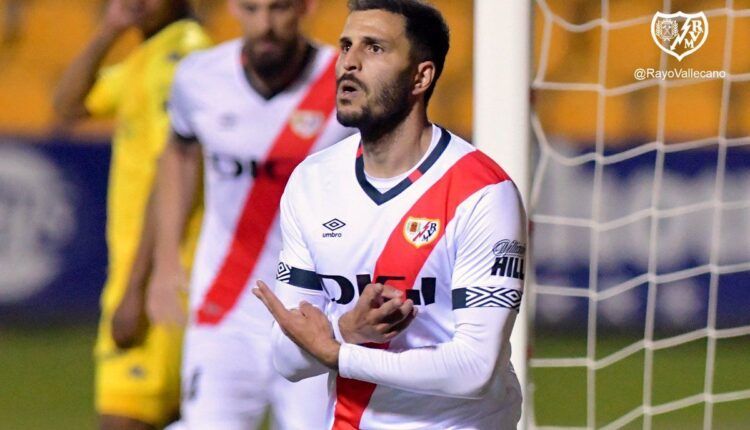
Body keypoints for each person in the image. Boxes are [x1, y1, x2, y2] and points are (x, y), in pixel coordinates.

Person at [253, 0, 527, 428]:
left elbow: (476, 367)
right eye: (346, 46)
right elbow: (287, 359)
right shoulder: (313, 182)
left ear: (421, 76)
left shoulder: (482, 192)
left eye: (374, 48)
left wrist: (339, 353)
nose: (349, 63)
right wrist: (346, 329)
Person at [147, 0, 354, 428]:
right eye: (251, 8)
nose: (265, 25)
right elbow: (179, 153)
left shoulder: (345, 83)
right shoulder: (198, 77)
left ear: (305, 8)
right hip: (225, 304)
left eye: (278, 9)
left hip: (318, 309)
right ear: (232, 8)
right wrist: (166, 260)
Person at [52, 1, 211, 429]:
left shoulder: (184, 60)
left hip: (161, 280)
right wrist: (109, 30)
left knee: (123, 419)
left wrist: (139, 286)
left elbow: (174, 172)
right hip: (151, 277)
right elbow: (67, 106)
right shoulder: (150, 55)